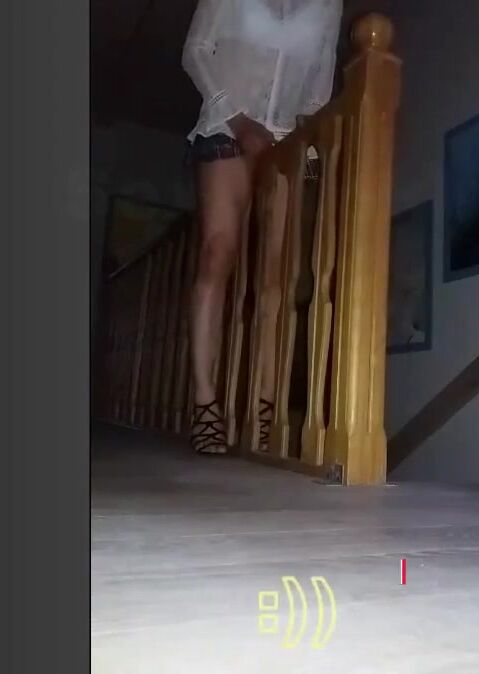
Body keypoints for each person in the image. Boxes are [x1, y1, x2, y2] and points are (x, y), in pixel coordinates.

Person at [182, 0, 343, 454]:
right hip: (225, 124)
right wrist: (238, 119)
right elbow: (195, 51)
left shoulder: (328, 5)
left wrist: (309, 146)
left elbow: (319, 87)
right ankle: (205, 405)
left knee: (278, 274)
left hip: (286, 140)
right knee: (218, 252)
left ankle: (266, 408)